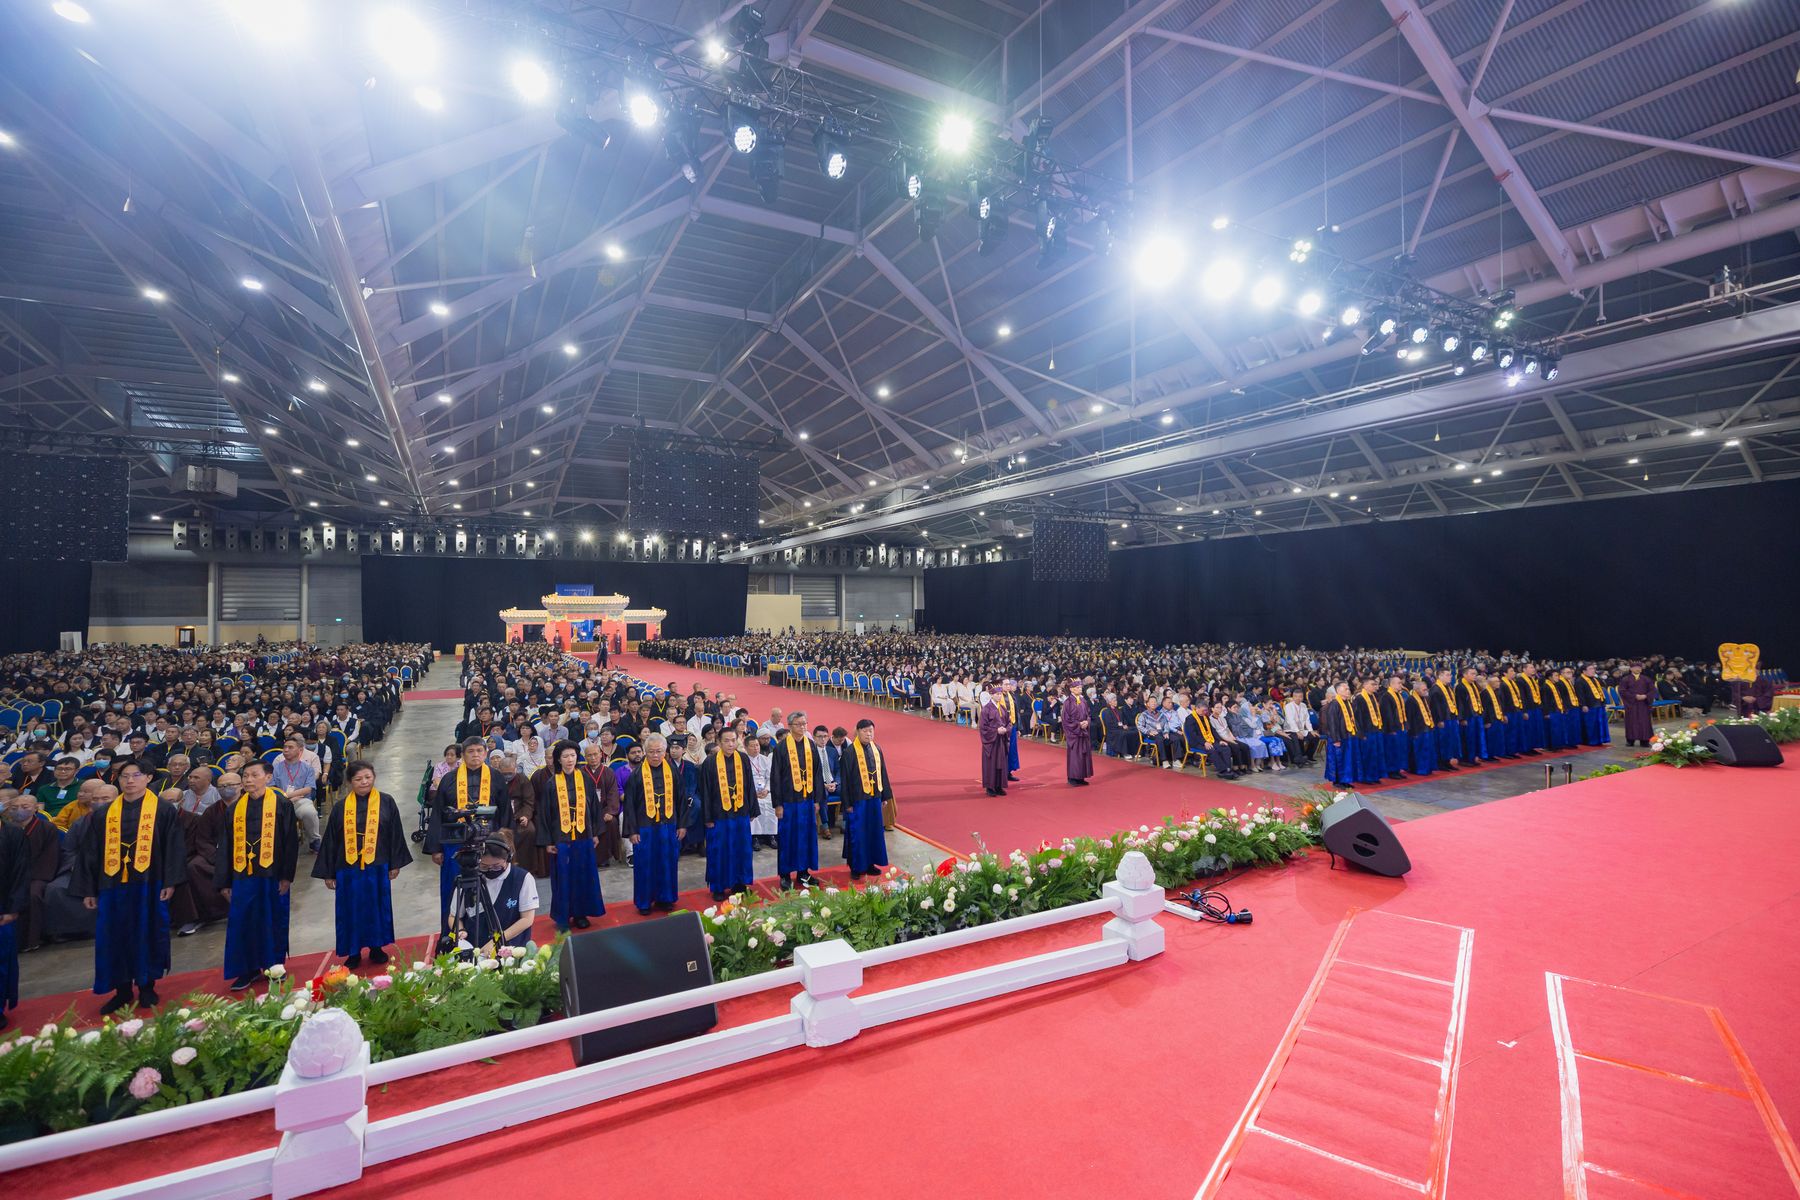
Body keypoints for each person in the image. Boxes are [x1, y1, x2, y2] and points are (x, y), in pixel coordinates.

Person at [70, 760, 186, 1014]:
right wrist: (89, 889)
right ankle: (121, 990)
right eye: (124, 776)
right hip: (112, 886)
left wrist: (170, 881)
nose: (130, 780)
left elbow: (174, 847)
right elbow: (89, 853)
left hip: (149, 884)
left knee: (148, 932)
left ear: (148, 778)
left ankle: (147, 986)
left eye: (136, 775)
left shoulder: (163, 810)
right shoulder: (103, 814)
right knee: (114, 937)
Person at [312, 761, 412, 968]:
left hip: (377, 865)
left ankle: (376, 947)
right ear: (350, 782)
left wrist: (395, 863)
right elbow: (331, 840)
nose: (364, 782)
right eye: (358, 779)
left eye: (368, 777)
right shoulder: (340, 807)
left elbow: (395, 833)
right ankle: (353, 951)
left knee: (377, 907)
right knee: (350, 910)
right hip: (348, 868)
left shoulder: (386, 801)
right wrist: (329, 873)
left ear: (374, 777)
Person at [217, 760, 299, 991]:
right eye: (245, 776)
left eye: (254, 775)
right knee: (242, 921)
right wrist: (224, 882)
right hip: (242, 875)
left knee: (273, 919)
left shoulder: (282, 804)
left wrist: (286, 876)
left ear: (268, 777)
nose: (248, 780)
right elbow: (225, 846)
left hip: (272, 874)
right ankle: (247, 969)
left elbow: (290, 843)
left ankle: (274, 966)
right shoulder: (234, 809)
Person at [427, 739, 512, 927]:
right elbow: (438, 813)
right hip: (455, 843)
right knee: (453, 889)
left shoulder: (496, 777)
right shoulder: (449, 779)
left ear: (485, 753)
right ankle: (452, 933)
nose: (475, 755)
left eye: (479, 750)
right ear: (463, 755)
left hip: (488, 842)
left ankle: (488, 931)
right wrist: (436, 848)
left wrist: (505, 842)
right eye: (471, 751)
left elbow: (505, 810)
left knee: (489, 890)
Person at [538, 740, 604, 931]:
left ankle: (581, 914)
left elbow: (594, 807)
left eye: (573, 755)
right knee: (563, 878)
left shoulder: (585, 779)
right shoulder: (551, 784)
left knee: (583, 875)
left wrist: (595, 833)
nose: (570, 760)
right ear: (558, 759)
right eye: (565, 756)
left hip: (583, 836)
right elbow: (544, 814)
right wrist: (548, 841)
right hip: (561, 838)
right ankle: (563, 916)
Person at [622, 732, 684, 915]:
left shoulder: (672, 771)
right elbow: (629, 805)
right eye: (651, 752)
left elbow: (681, 799)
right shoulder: (636, 775)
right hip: (645, 828)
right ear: (644, 752)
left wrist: (682, 825)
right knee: (645, 865)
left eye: (659, 751)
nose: (655, 755)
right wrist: (632, 831)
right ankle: (645, 902)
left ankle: (666, 898)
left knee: (667, 862)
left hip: (668, 825)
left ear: (665, 752)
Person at [700, 728, 758, 902]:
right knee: (719, 850)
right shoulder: (710, 762)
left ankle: (739, 884)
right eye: (726, 741)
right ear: (719, 742)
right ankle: (718, 886)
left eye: (733, 740)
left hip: (740, 812)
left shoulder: (743, 758)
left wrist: (752, 809)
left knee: (742, 849)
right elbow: (705, 791)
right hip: (719, 815)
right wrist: (708, 817)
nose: (731, 744)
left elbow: (749, 785)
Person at [770, 711, 823, 890]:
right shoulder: (781, 748)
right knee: (788, 838)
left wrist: (817, 800)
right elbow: (775, 777)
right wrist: (778, 804)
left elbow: (817, 773)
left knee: (806, 837)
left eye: (804, 723)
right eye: (798, 724)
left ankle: (803, 873)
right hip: (788, 802)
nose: (802, 727)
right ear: (790, 726)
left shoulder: (811, 745)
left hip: (807, 800)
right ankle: (785, 875)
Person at [458, 837, 537, 953]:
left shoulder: (522, 878)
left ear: (507, 859)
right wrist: (460, 931)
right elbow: (454, 916)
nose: (490, 870)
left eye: (496, 866)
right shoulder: (470, 878)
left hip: (510, 950)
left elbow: (527, 919)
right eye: (484, 866)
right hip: (474, 949)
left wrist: (497, 941)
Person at [4, 792, 58, 953]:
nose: (19, 810)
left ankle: (29, 940)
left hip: (36, 875)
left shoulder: (47, 828)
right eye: (14, 807)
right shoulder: (6, 829)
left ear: (35, 809)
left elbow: (49, 857)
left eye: (24, 806)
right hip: (9, 875)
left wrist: (26, 877)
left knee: (32, 895)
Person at [840, 719, 890, 882]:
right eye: (865, 731)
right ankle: (856, 866)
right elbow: (845, 780)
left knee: (873, 832)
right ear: (858, 732)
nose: (869, 734)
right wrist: (847, 803)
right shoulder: (849, 752)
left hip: (874, 798)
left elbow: (883, 772)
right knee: (857, 834)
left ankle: (870, 863)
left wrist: (884, 795)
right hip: (858, 800)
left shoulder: (877, 749)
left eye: (871, 731)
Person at [270, 735, 322, 853]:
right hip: (279, 801)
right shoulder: (276, 768)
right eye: (285, 747)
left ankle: (314, 840)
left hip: (301, 800)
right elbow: (271, 788)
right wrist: (286, 798)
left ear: (300, 750)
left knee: (309, 812)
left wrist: (289, 796)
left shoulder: (307, 768)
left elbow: (308, 789)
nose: (286, 750)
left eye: (290, 747)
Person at [0, 813, 27, 1029]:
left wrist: (13, 908)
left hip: (2, 908)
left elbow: (21, 871)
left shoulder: (12, 833)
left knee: (1, 961)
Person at [1320, 682, 1359, 789]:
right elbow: (1332, 723)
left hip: (1347, 735)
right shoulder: (1334, 704)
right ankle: (1337, 781)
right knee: (1338, 760)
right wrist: (1335, 739)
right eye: (1346, 689)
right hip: (1338, 738)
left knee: (1346, 760)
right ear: (1338, 691)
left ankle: (1345, 780)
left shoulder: (1347, 703)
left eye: (1348, 689)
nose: (1348, 691)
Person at [978, 687, 1010, 796]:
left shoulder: (1002, 708)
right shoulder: (986, 709)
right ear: (991, 695)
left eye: (1000, 694)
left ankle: (999, 786)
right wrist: (996, 731)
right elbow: (983, 727)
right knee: (991, 763)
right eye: (997, 694)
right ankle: (990, 787)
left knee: (1001, 763)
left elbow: (1009, 723)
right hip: (991, 741)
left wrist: (1006, 729)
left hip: (1001, 740)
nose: (999, 696)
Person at [1614, 663, 1656, 746]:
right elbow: (1622, 691)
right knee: (1631, 722)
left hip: (1644, 704)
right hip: (1631, 704)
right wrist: (1634, 696)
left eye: (1639, 667)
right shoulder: (1625, 679)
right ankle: (1630, 740)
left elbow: (1652, 690)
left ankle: (1645, 741)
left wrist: (1646, 696)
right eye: (1635, 667)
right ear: (1631, 669)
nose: (1638, 669)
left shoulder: (1646, 679)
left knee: (1644, 722)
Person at [1062, 682, 1094, 786]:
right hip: (1074, 733)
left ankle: (1081, 777)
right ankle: (1072, 778)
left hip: (1084, 731)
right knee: (1075, 756)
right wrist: (1078, 724)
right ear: (1071, 689)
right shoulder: (1068, 702)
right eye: (1077, 687)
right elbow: (1066, 720)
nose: (1080, 689)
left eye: (1080, 687)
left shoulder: (1083, 701)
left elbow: (1088, 714)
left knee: (1084, 755)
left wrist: (1087, 722)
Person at [1404, 681, 1438, 776]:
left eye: (1426, 689)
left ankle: (1428, 767)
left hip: (1426, 728)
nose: (1426, 691)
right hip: (1418, 730)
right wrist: (1413, 732)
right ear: (1417, 690)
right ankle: (1419, 769)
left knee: (1427, 750)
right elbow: (1410, 718)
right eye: (1424, 689)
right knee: (1419, 751)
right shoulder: (1411, 700)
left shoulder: (1424, 698)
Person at [1575, 665, 1611, 745]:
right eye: (1590, 669)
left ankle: (1600, 740)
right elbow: (1580, 695)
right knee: (1591, 725)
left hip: (1598, 704)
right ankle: (1590, 741)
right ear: (1584, 671)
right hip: (1589, 706)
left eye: (1593, 668)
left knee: (1599, 724)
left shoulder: (1595, 679)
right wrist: (1583, 705)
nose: (1593, 670)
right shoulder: (1580, 681)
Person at [999, 680, 1022, 782]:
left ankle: (1008, 772)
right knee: (1002, 750)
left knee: (1011, 749)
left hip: (1012, 725)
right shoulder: (997, 696)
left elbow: (1016, 713)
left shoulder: (1012, 696)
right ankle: (1000, 772)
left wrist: (1018, 728)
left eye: (1009, 684)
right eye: (1006, 684)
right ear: (1000, 685)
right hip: (1002, 727)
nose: (1008, 686)